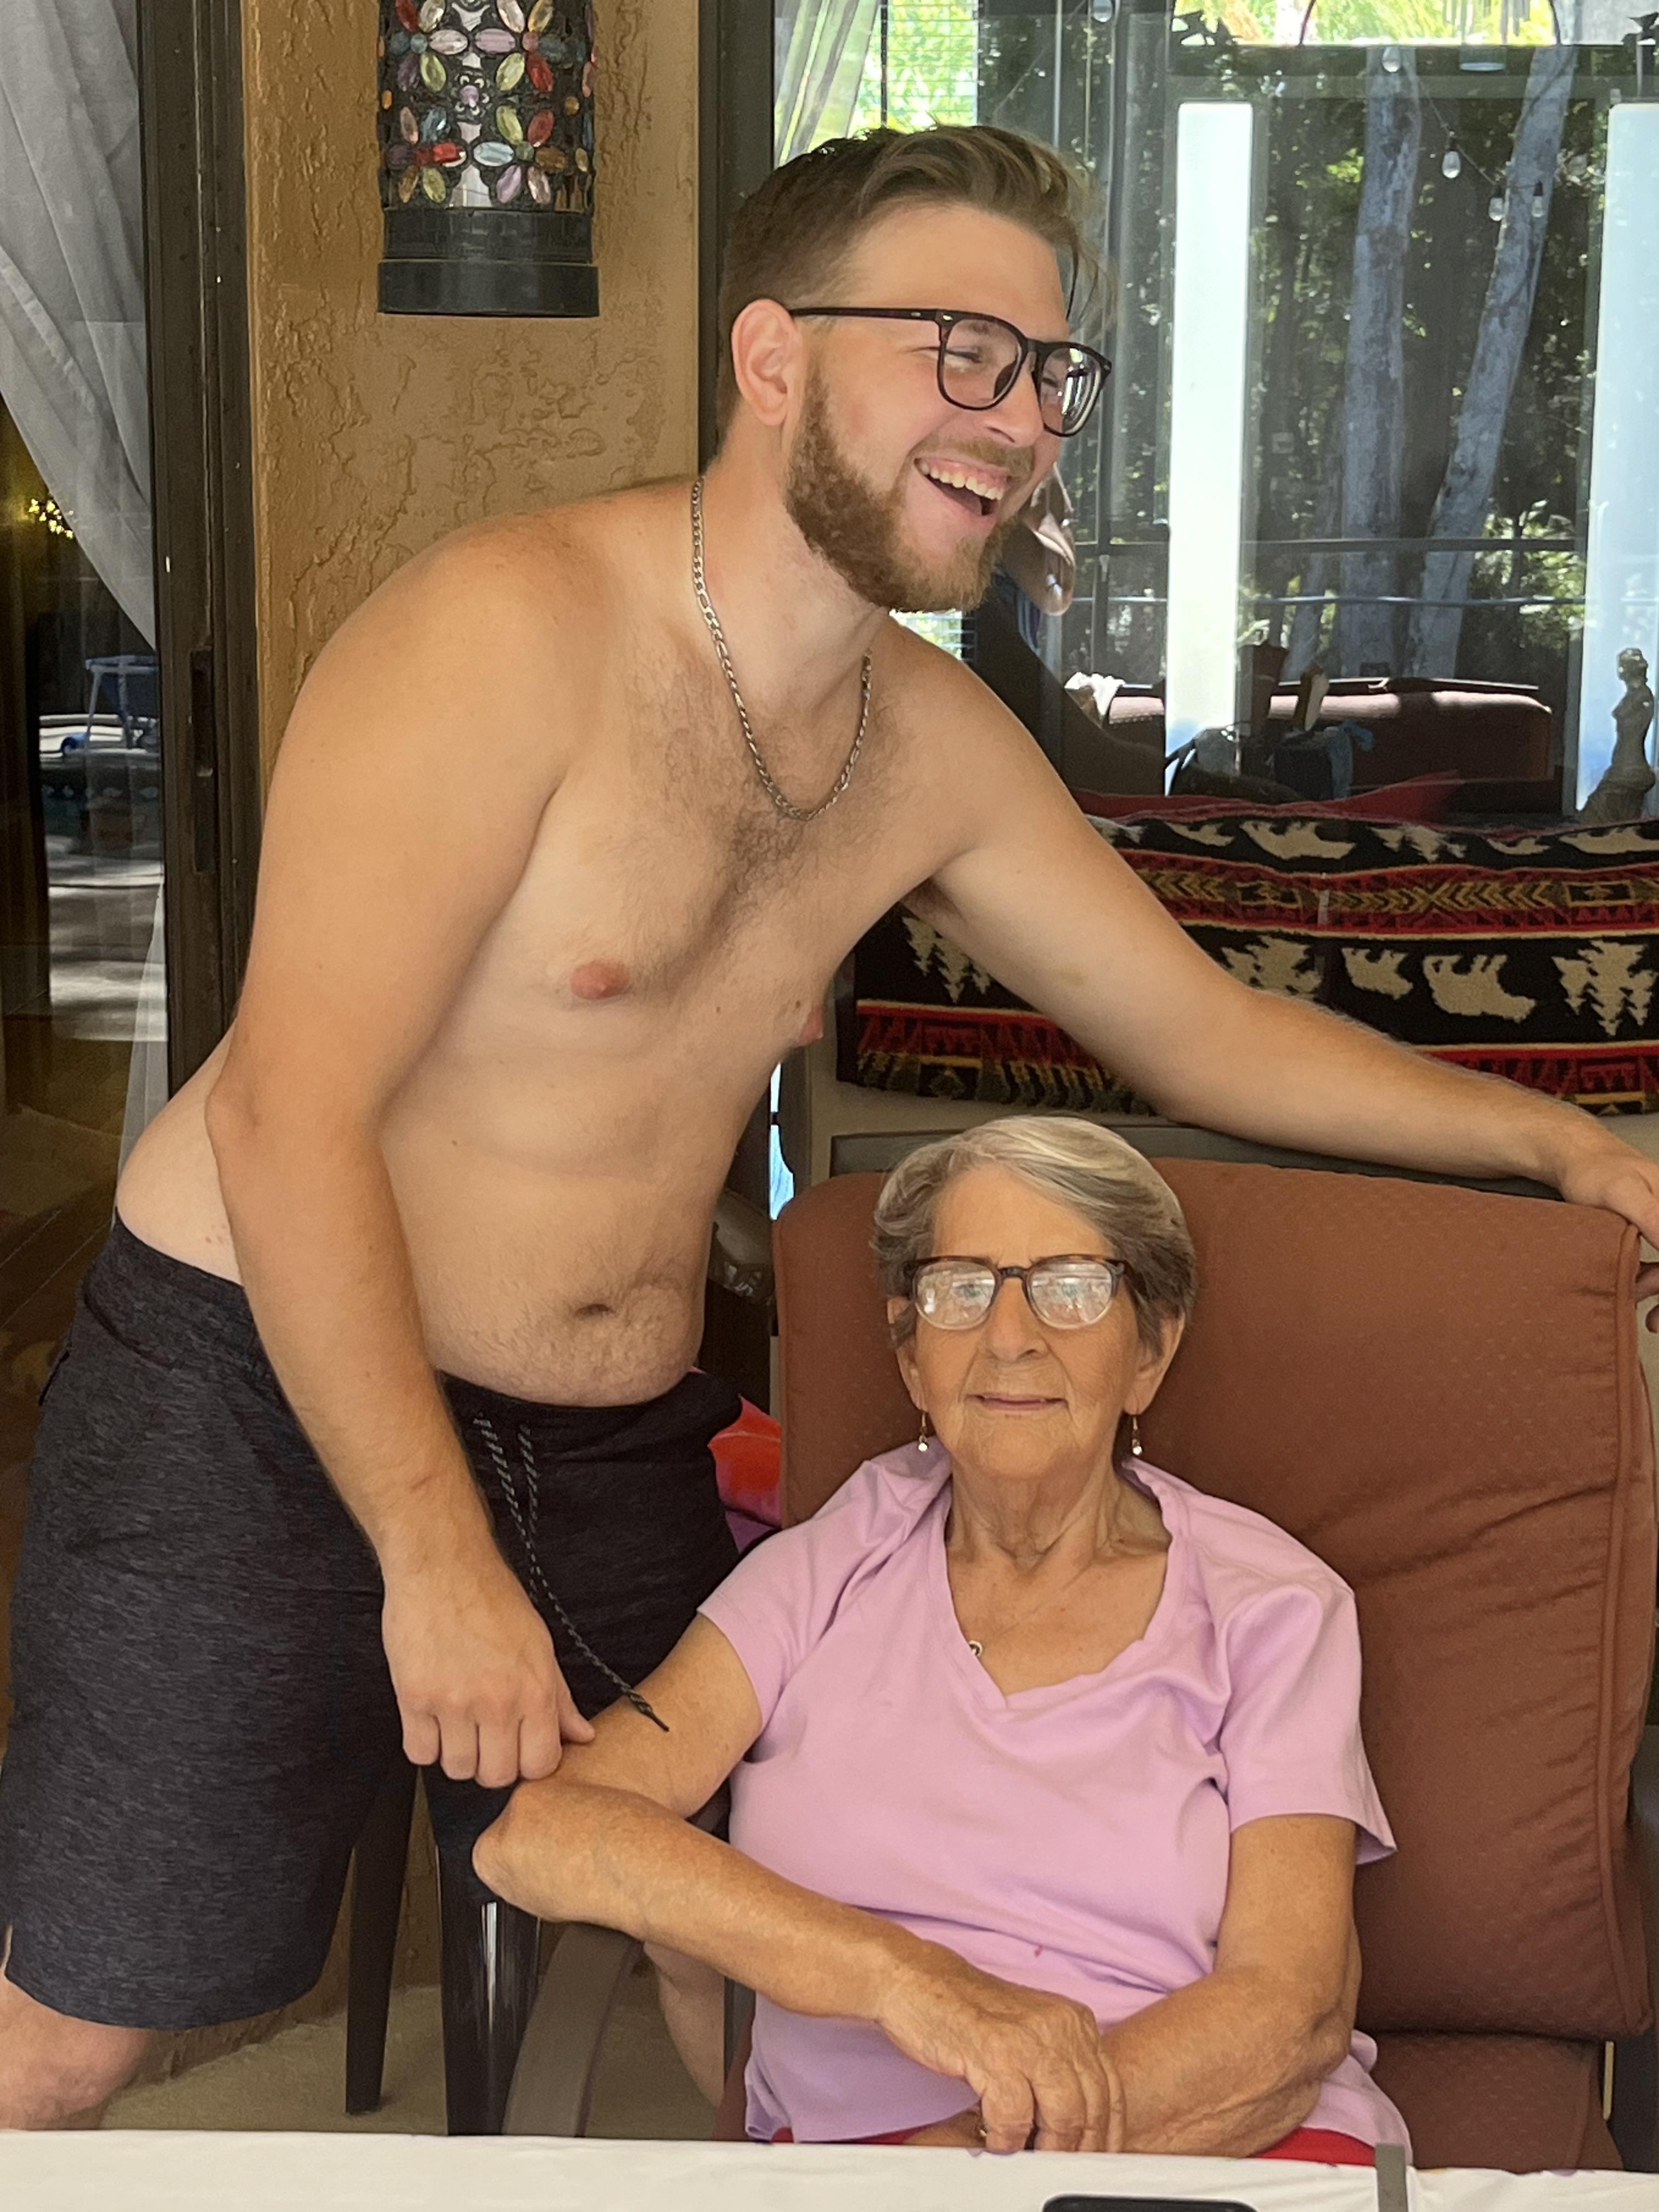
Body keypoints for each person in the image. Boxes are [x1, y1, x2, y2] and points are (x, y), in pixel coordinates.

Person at [3, 123, 1657, 2128]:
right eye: (962, 350)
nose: (1024, 416)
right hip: (254, 1388)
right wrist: (427, 1555)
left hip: (601, 1434)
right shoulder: (499, 637)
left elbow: (1199, 1031)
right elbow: (287, 1114)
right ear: (771, 355)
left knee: (737, 1929)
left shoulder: (929, 744)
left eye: (1051, 372)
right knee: (85, 2018)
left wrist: (1558, 1146)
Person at [474, 1118, 1408, 2160]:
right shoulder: (822, 1572)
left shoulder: (1271, 1606)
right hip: (869, 2161)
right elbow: (542, 1834)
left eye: (1070, 1285)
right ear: (913, 1357)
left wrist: (972, 2160)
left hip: (1196, 2146)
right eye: (961, 1288)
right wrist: (911, 1982)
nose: (1010, 1336)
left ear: (1151, 1349)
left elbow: (1293, 2012)